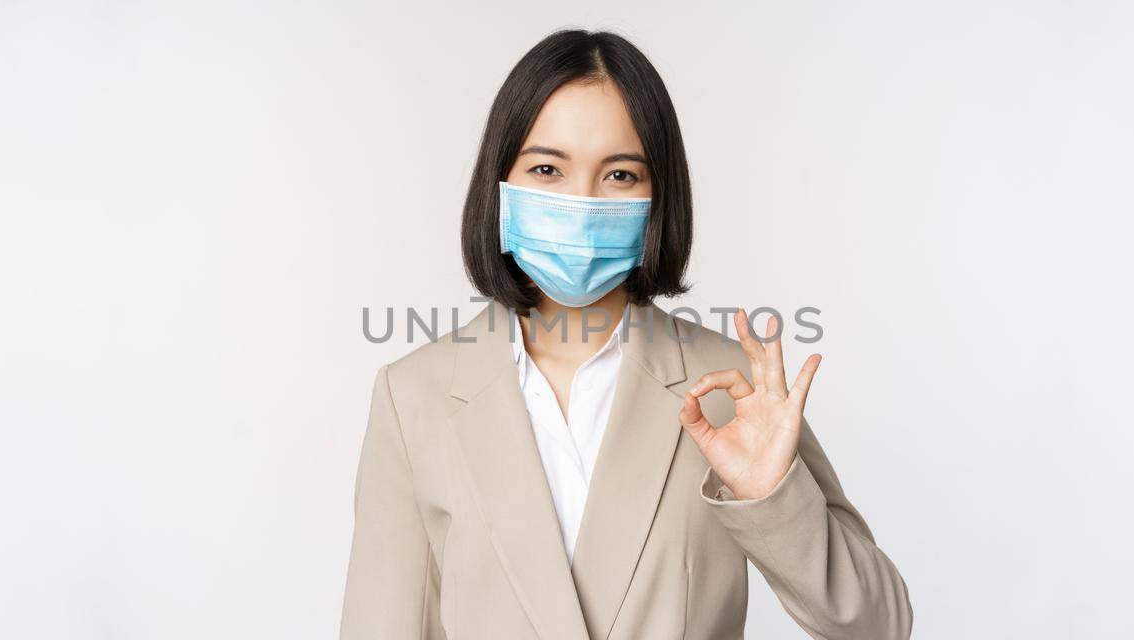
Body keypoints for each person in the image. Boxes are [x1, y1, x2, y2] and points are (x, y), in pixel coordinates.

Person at [341, 29, 912, 639]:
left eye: (618, 175)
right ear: (499, 188)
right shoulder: (414, 397)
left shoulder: (730, 389)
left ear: (657, 197)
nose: (582, 203)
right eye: (546, 169)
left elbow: (878, 626)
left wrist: (772, 495)